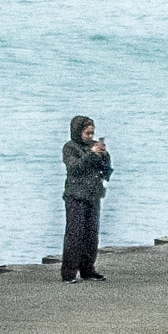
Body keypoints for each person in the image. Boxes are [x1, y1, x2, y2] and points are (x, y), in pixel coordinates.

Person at [61, 116, 113, 282]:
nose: (90, 137)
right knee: (75, 234)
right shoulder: (69, 148)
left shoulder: (94, 146)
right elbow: (75, 168)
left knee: (91, 234)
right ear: (78, 132)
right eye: (87, 133)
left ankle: (88, 270)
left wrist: (104, 155)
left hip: (93, 194)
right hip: (75, 195)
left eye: (92, 133)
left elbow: (105, 171)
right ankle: (69, 273)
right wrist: (91, 154)